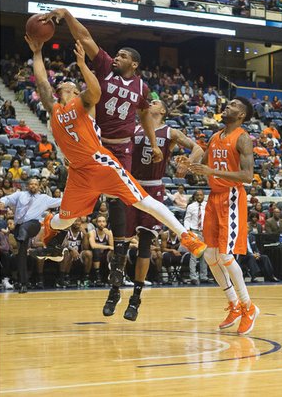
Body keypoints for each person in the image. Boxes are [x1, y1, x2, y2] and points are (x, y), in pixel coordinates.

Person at [25, 34, 207, 315]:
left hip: (101, 163)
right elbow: (41, 83)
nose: (63, 84)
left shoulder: (82, 104)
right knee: (65, 219)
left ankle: (186, 235)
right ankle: (52, 234)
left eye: (69, 84)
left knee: (142, 201)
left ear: (75, 93)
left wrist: (83, 64)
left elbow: (96, 92)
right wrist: (37, 51)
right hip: (79, 172)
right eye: (62, 84)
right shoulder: (54, 109)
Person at [37, 8, 169, 312]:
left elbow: (145, 113)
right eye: (117, 54)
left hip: (121, 151)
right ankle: (61, 235)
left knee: (119, 210)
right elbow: (84, 36)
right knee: (88, 205)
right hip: (92, 145)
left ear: (133, 64)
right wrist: (67, 16)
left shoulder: (142, 88)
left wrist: (151, 142)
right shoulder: (105, 66)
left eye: (123, 55)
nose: (116, 56)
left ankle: (116, 284)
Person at [122, 98, 204, 320]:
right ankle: (114, 288)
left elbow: (198, 149)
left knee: (146, 244)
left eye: (155, 102)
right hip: (131, 184)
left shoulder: (171, 132)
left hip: (153, 187)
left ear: (163, 110)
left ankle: (136, 298)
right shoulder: (134, 127)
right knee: (121, 240)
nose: (151, 103)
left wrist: (187, 163)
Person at [189, 98, 260, 335]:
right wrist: (190, 166)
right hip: (214, 196)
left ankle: (248, 307)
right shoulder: (215, 136)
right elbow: (205, 164)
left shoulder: (242, 138)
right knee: (210, 255)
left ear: (241, 115)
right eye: (227, 103)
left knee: (226, 256)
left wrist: (212, 171)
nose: (227, 106)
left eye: (233, 105)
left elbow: (248, 176)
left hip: (231, 197)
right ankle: (233, 303)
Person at [0, 178, 63, 293]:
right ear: (27, 186)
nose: (33, 186)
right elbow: (7, 199)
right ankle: (23, 283)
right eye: (31, 184)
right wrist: (2, 202)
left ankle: (21, 237)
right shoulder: (20, 195)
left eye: (35, 184)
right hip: (19, 226)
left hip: (34, 225)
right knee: (21, 255)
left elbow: (60, 201)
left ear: (39, 186)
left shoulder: (44, 198)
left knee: (24, 228)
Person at [183, 190, 209, 285]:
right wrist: (187, 231)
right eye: (197, 195)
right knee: (194, 256)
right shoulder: (190, 206)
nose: (199, 196)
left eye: (201, 195)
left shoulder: (208, 205)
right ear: (195, 196)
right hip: (194, 232)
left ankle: (203, 276)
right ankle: (193, 277)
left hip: (205, 232)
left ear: (203, 196)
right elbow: (187, 219)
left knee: (204, 256)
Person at [88, 215, 114, 286]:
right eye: (99, 221)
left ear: (106, 223)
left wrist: (110, 235)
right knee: (96, 250)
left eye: (103, 221)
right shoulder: (92, 232)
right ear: (96, 223)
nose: (101, 223)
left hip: (105, 254)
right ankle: (97, 277)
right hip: (94, 254)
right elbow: (93, 245)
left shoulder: (109, 232)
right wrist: (107, 246)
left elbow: (112, 247)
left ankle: (112, 275)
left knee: (113, 252)